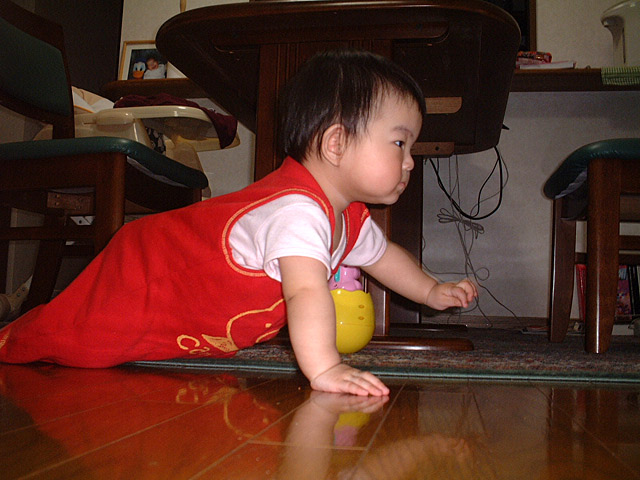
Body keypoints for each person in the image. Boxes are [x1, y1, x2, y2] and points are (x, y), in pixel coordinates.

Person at [0, 50, 477, 396]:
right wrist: (325, 368)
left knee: (136, 353)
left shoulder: (347, 216)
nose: (410, 161)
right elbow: (305, 292)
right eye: (399, 143)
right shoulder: (298, 210)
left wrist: (431, 290)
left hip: (184, 306)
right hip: (151, 269)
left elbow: (384, 257)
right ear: (335, 144)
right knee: (72, 338)